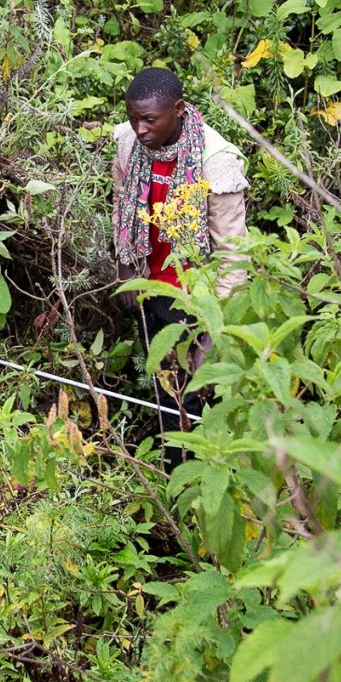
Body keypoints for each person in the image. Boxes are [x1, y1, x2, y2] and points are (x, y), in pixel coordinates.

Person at [111, 66, 248, 435]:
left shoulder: (215, 163)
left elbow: (234, 258)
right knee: (165, 391)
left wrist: (213, 334)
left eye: (150, 120)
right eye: (133, 118)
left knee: (195, 398)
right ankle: (174, 475)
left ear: (180, 109)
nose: (141, 130)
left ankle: (191, 476)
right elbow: (122, 202)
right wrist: (126, 266)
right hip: (152, 288)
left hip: (197, 297)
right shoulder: (129, 142)